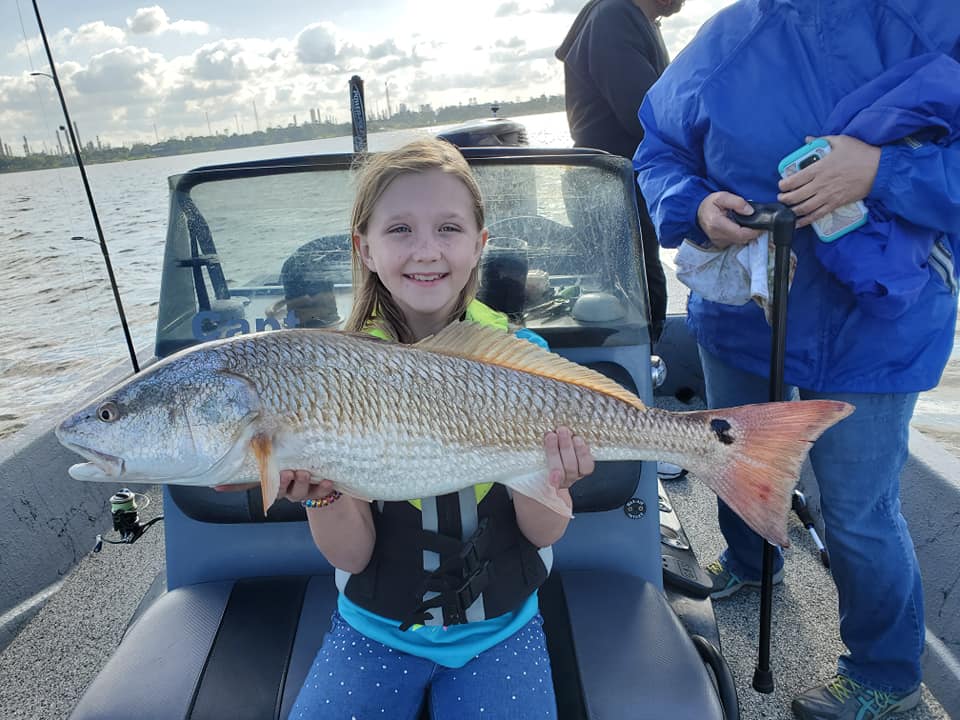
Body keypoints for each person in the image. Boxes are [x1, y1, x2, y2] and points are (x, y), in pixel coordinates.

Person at [634, 1, 960, 718]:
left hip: (878, 319)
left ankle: (886, 676)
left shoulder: (934, 19)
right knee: (732, 454)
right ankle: (751, 566)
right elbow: (655, 153)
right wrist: (697, 207)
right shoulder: (723, 39)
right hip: (747, 311)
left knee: (860, 509)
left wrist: (881, 171)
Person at [276, 138, 596, 719]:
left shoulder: (523, 358)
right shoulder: (331, 375)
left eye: (449, 228)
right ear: (364, 248)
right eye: (399, 229)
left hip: (502, 629)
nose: (426, 249)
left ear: (479, 247)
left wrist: (555, 477)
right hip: (373, 630)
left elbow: (543, 534)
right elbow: (352, 555)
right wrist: (320, 498)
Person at [555, 0, 686, 346]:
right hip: (607, 189)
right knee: (635, 293)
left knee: (642, 283)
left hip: (623, 184)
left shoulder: (636, 20)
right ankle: (635, 381)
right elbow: (645, 114)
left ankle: (644, 371)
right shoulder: (614, 15)